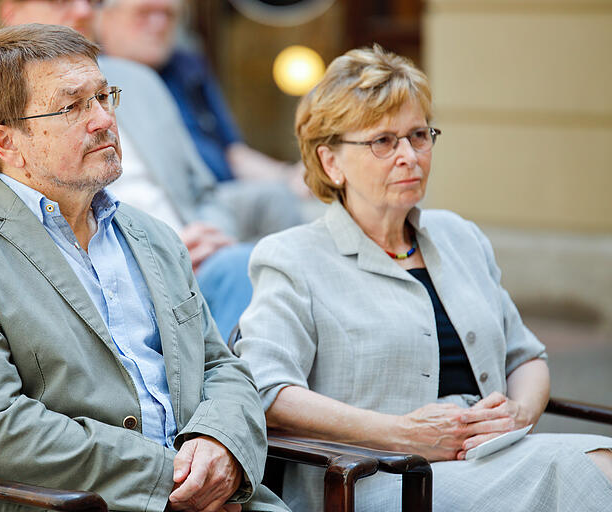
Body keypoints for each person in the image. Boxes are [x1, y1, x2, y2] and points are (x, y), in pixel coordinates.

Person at [0, 23, 289, 512]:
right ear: (7, 144)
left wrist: (221, 445)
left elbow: (219, 365)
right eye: (73, 106)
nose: (104, 119)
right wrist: (170, 478)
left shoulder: (153, 236)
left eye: (105, 97)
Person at [234, 44, 612, 511]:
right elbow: (267, 390)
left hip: (494, 454)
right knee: (591, 469)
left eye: (418, 135)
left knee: (600, 464)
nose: (409, 156)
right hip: (377, 477)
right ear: (331, 161)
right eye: (383, 141)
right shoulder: (292, 256)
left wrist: (520, 412)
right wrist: (398, 433)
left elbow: (526, 357)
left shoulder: (460, 236)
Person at [0, 0, 288, 339]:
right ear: (11, 13)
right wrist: (149, 261)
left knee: (275, 254)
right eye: (71, 106)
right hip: (95, 279)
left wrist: (205, 237)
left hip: (193, 259)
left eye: (105, 98)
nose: (84, 10)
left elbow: (204, 191)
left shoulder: (141, 81)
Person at [93, 0, 308, 193]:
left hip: (225, 195)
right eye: (144, 13)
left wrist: (288, 177)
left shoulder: (188, 68)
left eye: (168, 14)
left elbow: (233, 154)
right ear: (105, 17)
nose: (159, 25)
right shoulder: (93, 83)